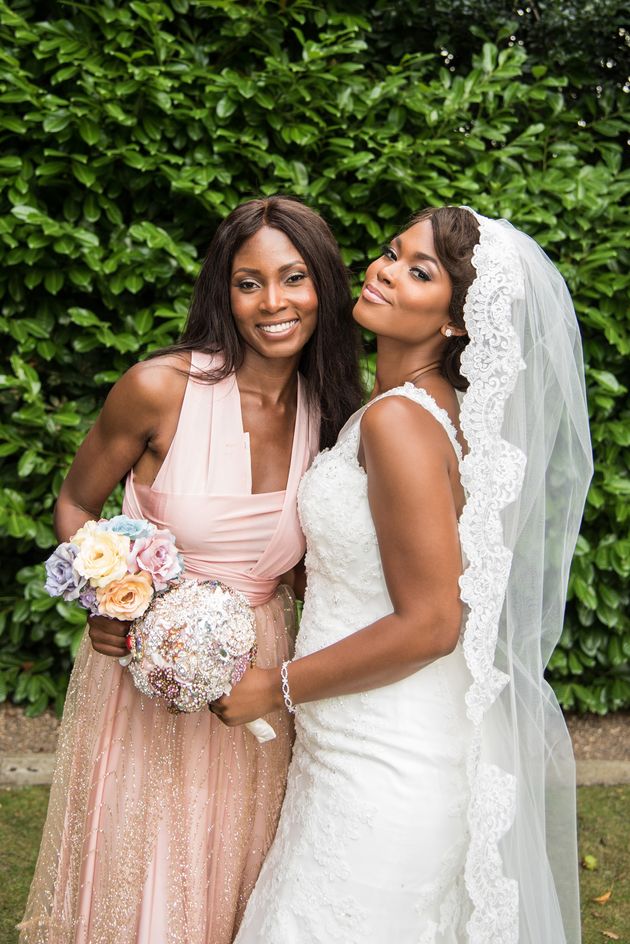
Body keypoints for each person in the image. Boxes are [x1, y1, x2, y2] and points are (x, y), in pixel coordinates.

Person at [215, 206, 593, 944]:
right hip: (359, 741)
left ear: (456, 322)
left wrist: (274, 685)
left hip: (384, 760)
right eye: (392, 253)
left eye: (420, 272)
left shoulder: (400, 424)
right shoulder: (405, 411)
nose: (385, 270)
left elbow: (433, 622)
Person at [18, 196, 363, 944]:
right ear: (224, 290)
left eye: (294, 277)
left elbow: (320, 564)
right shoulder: (160, 388)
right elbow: (76, 504)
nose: (272, 302)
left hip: (262, 675)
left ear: (324, 287)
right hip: (146, 672)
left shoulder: (332, 410)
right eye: (249, 282)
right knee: (145, 880)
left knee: (238, 870)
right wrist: (113, 601)